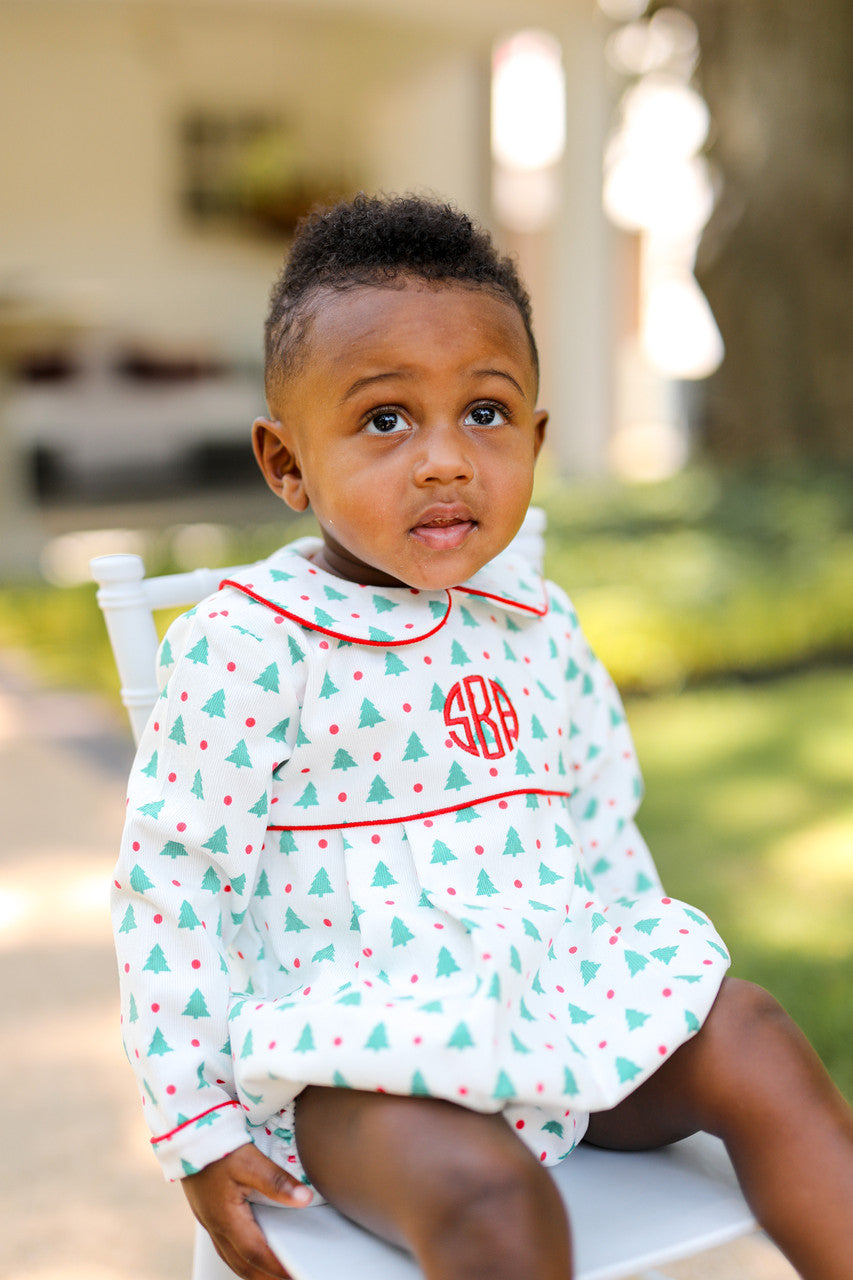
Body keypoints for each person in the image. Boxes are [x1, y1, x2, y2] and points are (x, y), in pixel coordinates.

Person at [112, 194, 853, 1280]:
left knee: (751, 1032)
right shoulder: (248, 645)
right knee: (487, 1195)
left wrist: (639, 992)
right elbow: (173, 884)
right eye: (383, 420)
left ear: (536, 438)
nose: (446, 460)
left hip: (554, 1004)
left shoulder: (536, 624)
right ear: (287, 465)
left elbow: (601, 818)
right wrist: (196, 1120)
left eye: (487, 413)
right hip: (358, 1057)